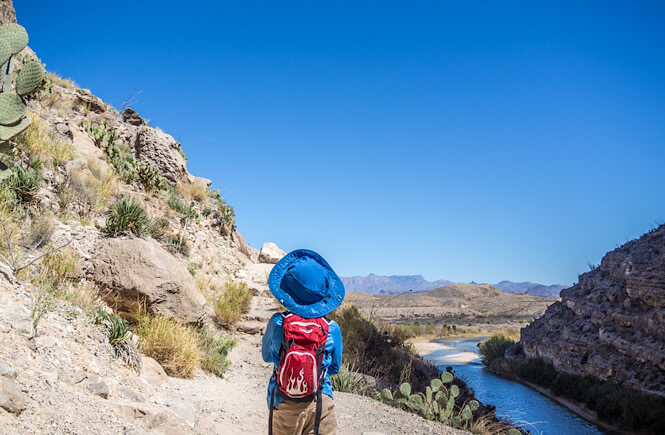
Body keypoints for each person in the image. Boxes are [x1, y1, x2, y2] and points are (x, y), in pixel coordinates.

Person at [262, 249, 345, 435]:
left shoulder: (278, 323)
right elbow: (334, 368)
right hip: (321, 402)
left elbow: (267, 356)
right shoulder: (331, 328)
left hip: (283, 401)